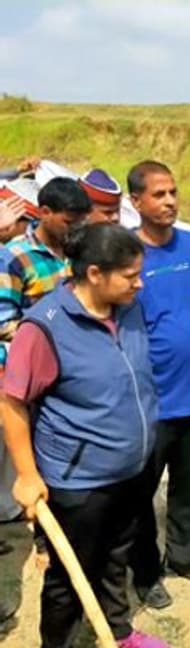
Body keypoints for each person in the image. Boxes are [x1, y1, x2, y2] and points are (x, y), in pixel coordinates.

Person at [4, 224, 172, 648]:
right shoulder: (45, 326)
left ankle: (118, 631)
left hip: (133, 467)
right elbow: (12, 402)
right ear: (93, 274)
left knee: (116, 557)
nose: (139, 284)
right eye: (129, 275)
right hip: (77, 480)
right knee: (66, 577)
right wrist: (26, 475)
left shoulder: (130, 308)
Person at [126, 161, 190, 610]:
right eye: (158, 194)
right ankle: (146, 574)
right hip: (149, 400)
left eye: (173, 192)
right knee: (141, 492)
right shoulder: (126, 254)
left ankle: (184, 558)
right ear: (136, 202)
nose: (169, 202)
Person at [0, 178, 89, 530]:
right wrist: (49, 338)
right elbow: (4, 321)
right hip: (28, 372)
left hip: (71, 370)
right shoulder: (14, 257)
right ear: (45, 213)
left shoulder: (79, 253)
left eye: (81, 220)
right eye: (69, 221)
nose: (77, 228)